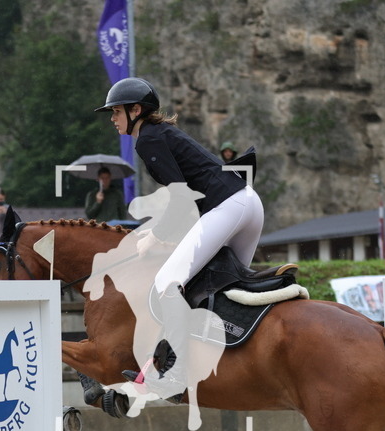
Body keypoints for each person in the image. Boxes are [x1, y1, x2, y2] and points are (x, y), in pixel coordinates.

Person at [95, 77, 263, 398]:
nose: (112, 118)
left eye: (116, 112)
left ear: (136, 110)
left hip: (229, 206)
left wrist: (154, 237)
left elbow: (181, 198)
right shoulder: (162, 134)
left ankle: (177, 375)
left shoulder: (148, 139)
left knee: (166, 282)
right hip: (249, 204)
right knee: (226, 286)